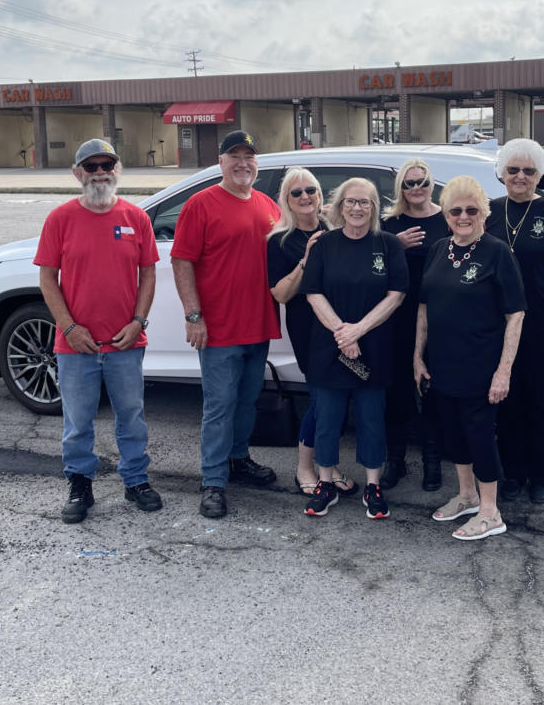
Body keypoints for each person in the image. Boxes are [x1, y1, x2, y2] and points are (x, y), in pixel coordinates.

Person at [34, 138, 162, 523]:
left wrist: (138, 321)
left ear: (117, 170)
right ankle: (79, 484)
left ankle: (136, 480)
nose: (100, 172)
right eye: (91, 167)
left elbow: (149, 273)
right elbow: (47, 278)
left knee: (132, 417)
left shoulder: (136, 217)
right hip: (76, 345)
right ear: (77, 174)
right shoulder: (60, 219)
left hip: (125, 343)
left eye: (107, 165)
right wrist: (69, 327)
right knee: (77, 422)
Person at [171, 130, 281, 520]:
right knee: (219, 407)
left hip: (258, 326)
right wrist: (193, 316)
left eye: (249, 156)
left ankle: (238, 459)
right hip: (217, 330)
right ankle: (213, 482)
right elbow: (181, 260)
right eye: (234, 156)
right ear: (221, 162)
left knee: (247, 402)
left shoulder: (268, 205)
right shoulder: (200, 204)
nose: (242, 163)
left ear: (256, 163)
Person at [415, 175, 525, 541]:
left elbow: (515, 315)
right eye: (456, 211)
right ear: (446, 215)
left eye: (471, 210)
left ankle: (491, 512)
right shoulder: (439, 248)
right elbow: (424, 307)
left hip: (481, 363)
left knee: (479, 435)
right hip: (442, 362)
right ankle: (466, 496)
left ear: (484, 214)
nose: (463, 217)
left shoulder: (497, 252)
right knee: (453, 432)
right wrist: (417, 356)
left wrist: (503, 371)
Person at [299, 178, 407, 520]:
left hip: (373, 346)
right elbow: (313, 293)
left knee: (372, 418)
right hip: (329, 348)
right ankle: (325, 483)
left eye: (365, 202)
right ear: (339, 205)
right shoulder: (324, 244)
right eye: (351, 201)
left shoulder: (388, 244)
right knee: (327, 418)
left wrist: (358, 330)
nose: (358, 208)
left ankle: (373, 486)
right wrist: (343, 334)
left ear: (374, 208)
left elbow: (396, 295)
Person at [486, 138, 544, 505]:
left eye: (528, 171)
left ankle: (542, 476)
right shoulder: (490, 211)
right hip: (499, 325)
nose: (520, 176)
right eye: (513, 170)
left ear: (539, 175)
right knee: (507, 403)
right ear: (502, 173)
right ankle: (513, 474)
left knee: (541, 403)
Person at [266, 168, 357, 498]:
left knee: (340, 397)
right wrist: (305, 260)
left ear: (320, 196)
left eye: (311, 190)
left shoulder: (336, 230)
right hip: (309, 330)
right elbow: (280, 294)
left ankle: (327, 464)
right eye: (297, 192)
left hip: (342, 326)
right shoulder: (279, 241)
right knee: (322, 400)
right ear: (286, 200)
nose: (305, 197)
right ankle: (306, 467)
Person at [379, 158, 450, 492]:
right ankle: (395, 459)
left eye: (422, 181)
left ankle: (432, 460)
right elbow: (372, 268)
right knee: (397, 391)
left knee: (433, 389)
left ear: (431, 183)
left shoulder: (448, 218)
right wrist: (395, 245)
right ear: (401, 188)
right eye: (409, 183)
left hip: (439, 315)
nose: (417, 188)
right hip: (397, 316)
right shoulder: (389, 223)